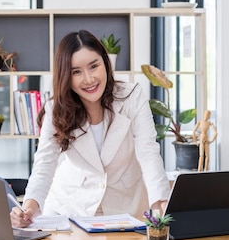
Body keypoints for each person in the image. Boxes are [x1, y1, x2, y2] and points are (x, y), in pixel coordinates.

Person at [10, 30, 170, 228]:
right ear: (65, 76)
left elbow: (148, 151)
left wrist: (161, 201)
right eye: (76, 72)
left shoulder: (131, 96)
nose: (88, 79)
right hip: (71, 209)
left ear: (105, 63)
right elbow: (45, 163)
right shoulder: (56, 110)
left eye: (94, 66)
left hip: (125, 210)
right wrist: (30, 207)